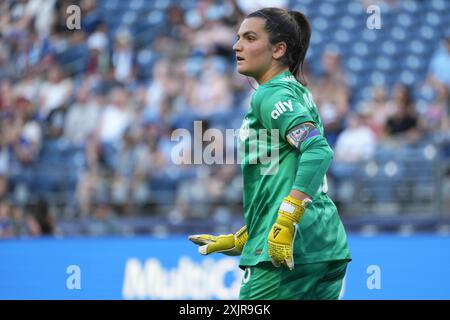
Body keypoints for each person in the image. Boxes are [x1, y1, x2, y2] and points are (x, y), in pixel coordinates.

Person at [189, 7, 351, 300]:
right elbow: (285, 171)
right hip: (325, 243)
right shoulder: (297, 91)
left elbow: (317, 151)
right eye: (238, 37)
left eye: (250, 38)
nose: (237, 45)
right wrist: (248, 235)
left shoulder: (269, 94)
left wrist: (286, 220)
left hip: (287, 249)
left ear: (278, 49)